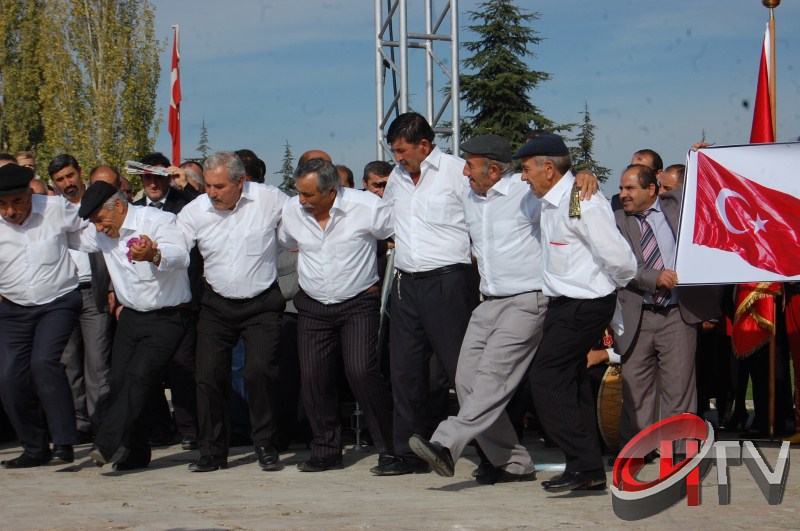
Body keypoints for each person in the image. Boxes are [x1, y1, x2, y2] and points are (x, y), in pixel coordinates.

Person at [514, 134, 637, 493]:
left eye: (526, 170)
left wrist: (607, 292)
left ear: (548, 169)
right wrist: (581, 172)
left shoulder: (580, 202)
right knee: (571, 381)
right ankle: (586, 468)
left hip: (584, 305)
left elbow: (620, 259)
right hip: (563, 304)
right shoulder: (550, 199)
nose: (523, 177)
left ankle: (583, 461)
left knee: (546, 378)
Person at [371, 112, 479, 476]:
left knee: (461, 370)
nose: (398, 158)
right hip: (406, 282)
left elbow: (480, 217)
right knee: (405, 370)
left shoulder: (456, 171)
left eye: (402, 150)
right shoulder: (397, 179)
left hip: (449, 281)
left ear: (424, 145)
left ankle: (492, 450)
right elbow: (386, 222)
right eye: (393, 151)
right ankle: (407, 452)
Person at [278, 158, 394, 472]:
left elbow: (395, 234)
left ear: (332, 192)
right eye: (299, 193)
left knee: (361, 372)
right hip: (313, 306)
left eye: (309, 195)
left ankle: (389, 447)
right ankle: (326, 450)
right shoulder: (292, 211)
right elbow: (288, 243)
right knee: (314, 379)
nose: (302, 201)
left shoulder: (366, 207)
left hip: (358, 304)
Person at [177, 151, 288, 472]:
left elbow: (303, 217)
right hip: (217, 304)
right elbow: (175, 247)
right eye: (208, 186)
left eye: (219, 186)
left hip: (262, 304)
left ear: (241, 183)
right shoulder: (194, 210)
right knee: (209, 375)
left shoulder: (270, 199)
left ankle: (265, 443)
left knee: (259, 372)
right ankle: (212, 451)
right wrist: (154, 253)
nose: (212, 193)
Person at [75, 182, 192, 471]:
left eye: (100, 220)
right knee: (120, 382)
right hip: (130, 317)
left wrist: (153, 254)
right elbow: (69, 234)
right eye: (94, 223)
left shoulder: (158, 220)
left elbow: (180, 255)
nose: (99, 229)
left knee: (139, 378)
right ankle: (137, 451)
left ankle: (106, 443)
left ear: (118, 206)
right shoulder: (102, 232)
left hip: (167, 316)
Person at [613, 164, 720, 456]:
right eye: (621, 188)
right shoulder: (617, 221)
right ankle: (636, 450)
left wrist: (701, 157)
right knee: (636, 389)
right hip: (637, 314)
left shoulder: (676, 207)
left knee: (679, 387)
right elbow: (616, 264)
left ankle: (678, 452)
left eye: (629, 188)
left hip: (677, 313)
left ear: (652, 189)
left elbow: (702, 185)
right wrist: (652, 277)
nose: (622, 194)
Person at [0, 164, 82, 468]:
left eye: (16, 202)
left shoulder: (56, 208)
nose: (10, 211)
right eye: (2, 205)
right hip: (12, 307)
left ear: (30, 194)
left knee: (44, 362)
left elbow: (88, 233)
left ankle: (64, 442)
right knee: (8, 376)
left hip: (57, 301)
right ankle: (34, 447)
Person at [133, 152, 201, 450]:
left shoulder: (183, 205)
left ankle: (189, 429)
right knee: (148, 370)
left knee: (182, 367)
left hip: (182, 300)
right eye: (147, 177)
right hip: (144, 302)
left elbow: (205, 209)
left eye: (158, 176)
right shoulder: (133, 211)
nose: (153, 183)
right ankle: (159, 428)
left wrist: (183, 185)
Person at [48, 155, 113, 441]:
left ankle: (102, 426)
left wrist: (112, 289)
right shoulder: (51, 211)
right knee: (68, 364)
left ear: (80, 173)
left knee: (98, 365)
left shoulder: (100, 204)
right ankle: (79, 425)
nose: (67, 183)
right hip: (61, 296)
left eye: (70, 176)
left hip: (94, 293)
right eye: (60, 179)